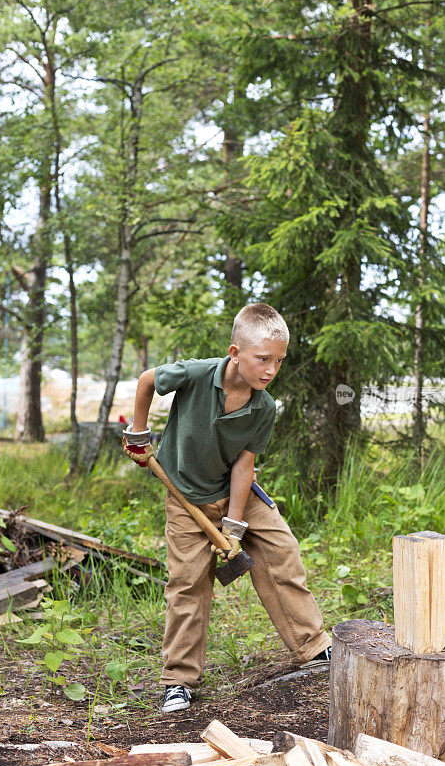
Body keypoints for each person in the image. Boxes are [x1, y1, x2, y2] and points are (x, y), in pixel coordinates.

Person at [123, 303, 332, 714]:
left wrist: (235, 524)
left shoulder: (264, 406)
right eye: (263, 359)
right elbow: (148, 380)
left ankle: (314, 648)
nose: (271, 370)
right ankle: (178, 680)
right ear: (235, 353)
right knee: (188, 582)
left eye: (279, 361)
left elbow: (244, 464)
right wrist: (139, 430)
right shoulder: (197, 375)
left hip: (238, 491)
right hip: (185, 495)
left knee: (282, 550)